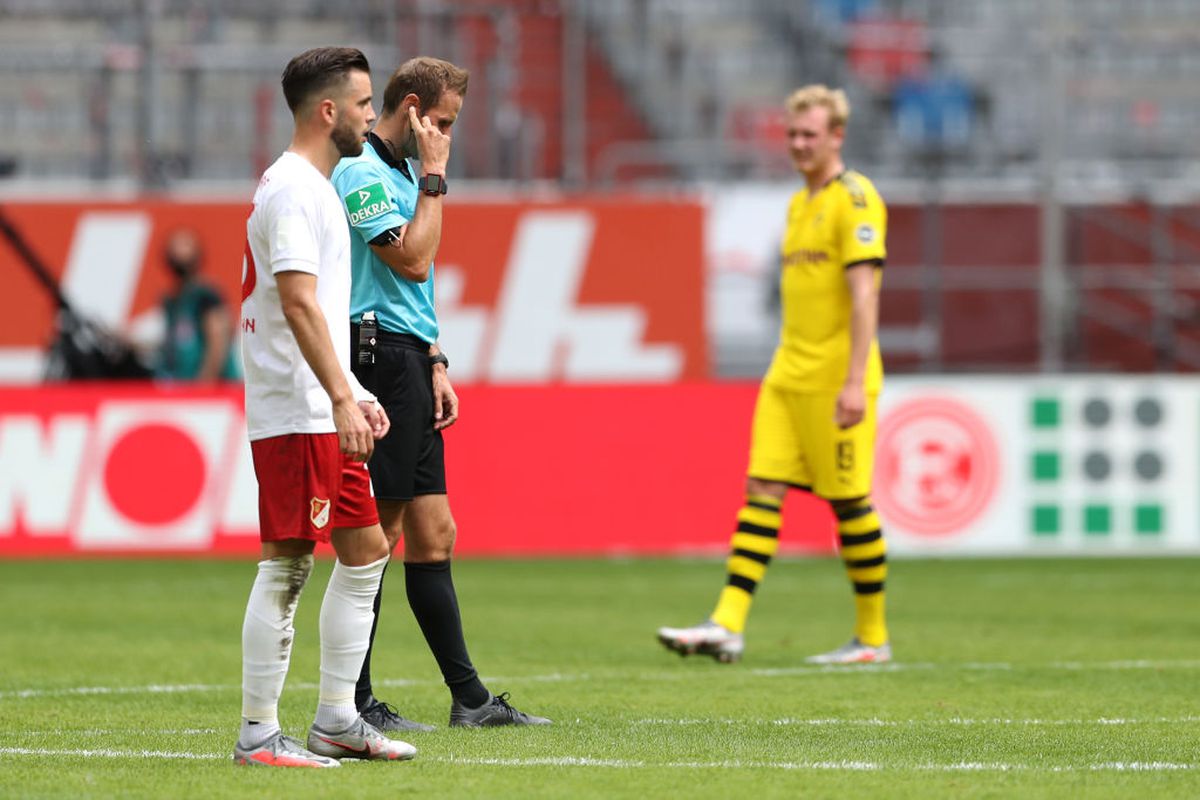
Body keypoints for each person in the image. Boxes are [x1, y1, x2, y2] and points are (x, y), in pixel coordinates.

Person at [330, 56, 550, 729]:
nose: (446, 135)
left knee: (435, 533)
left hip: (410, 359)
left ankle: (470, 701)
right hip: (378, 360)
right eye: (443, 122)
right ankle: (353, 703)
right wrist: (434, 175)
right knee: (380, 535)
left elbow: (414, 290)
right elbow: (412, 260)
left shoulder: (400, 174)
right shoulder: (361, 173)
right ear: (414, 107)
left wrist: (436, 358)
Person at [657, 84, 891, 665]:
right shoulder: (798, 204)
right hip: (787, 374)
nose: (800, 144)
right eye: (792, 134)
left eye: (811, 134)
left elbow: (864, 297)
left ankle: (872, 638)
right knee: (762, 488)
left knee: (849, 503)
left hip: (836, 377)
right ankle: (727, 624)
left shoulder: (856, 199)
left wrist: (854, 380)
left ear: (837, 136)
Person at [234, 46, 417, 768]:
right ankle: (258, 734)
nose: (373, 116)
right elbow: (297, 303)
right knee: (287, 564)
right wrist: (342, 394)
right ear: (329, 110)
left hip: (326, 404)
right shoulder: (291, 191)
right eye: (365, 104)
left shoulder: (316, 187)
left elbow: (321, 308)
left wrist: (355, 394)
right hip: (297, 408)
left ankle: (338, 719)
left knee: (367, 551)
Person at [154, 228, 241, 382]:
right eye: (175, 247)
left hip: (214, 388)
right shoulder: (171, 301)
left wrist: (204, 384)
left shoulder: (207, 296)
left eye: (185, 245)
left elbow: (218, 343)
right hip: (182, 385)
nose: (180, 252)